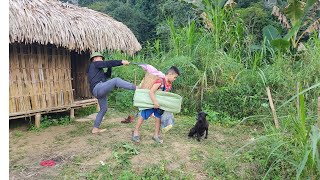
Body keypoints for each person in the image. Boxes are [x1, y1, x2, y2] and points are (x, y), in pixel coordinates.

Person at [87, 52, 136, 134]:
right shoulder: (94, 64)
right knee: (116, 80)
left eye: (101, 58)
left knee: (103, 109)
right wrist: (121, 62)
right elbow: (107, 63)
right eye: (99, 58)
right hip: (98, 88)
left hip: (98, 90)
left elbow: (107, 75)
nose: (101, 59)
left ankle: (95, 128)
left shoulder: (97, 71)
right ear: (94, 59)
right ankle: (136, 88)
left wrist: (109, 67)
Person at [132, 66, 180, 143]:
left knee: (158, 118)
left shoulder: (169, 84)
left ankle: (156, 135)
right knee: (143, 115)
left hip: (159, 105)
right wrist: (155, 102)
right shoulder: (160, 81)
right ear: (170, 74)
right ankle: (135, 132)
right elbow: (151, 92)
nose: (175, 79)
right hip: (152, 103)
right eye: (175, 77)